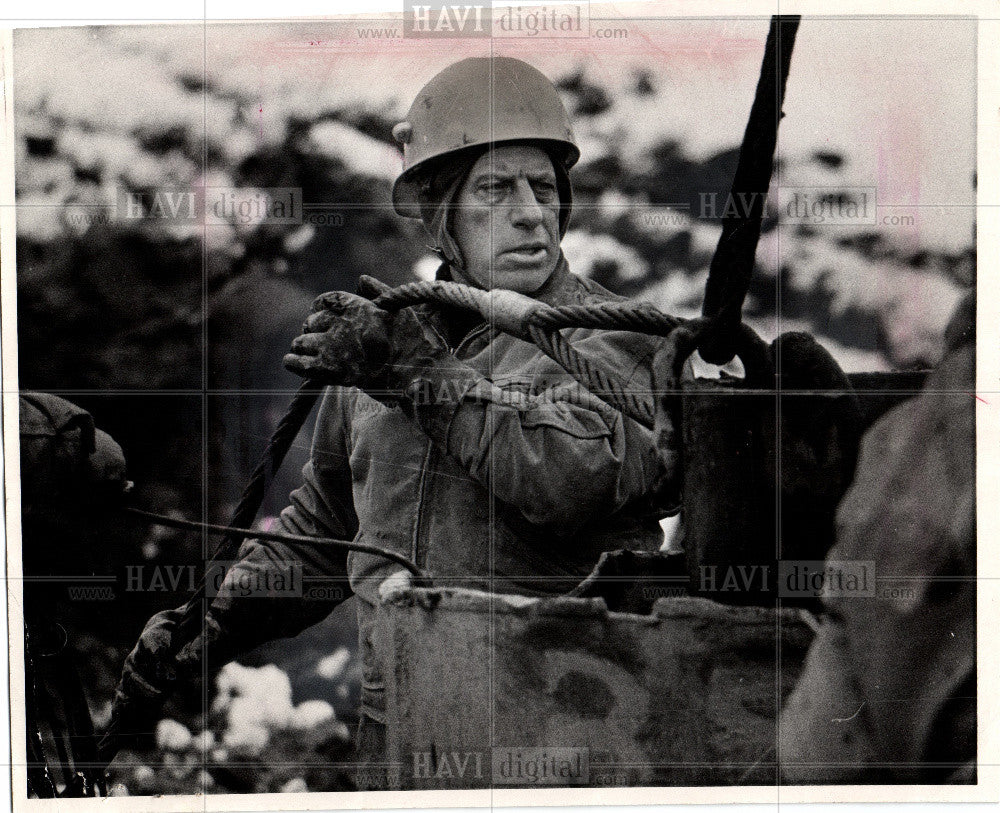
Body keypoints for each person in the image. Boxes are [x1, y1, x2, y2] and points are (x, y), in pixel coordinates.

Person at [107, 56, 672, 789]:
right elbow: (326, 535)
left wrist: (420, 377)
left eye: (543, 187)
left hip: (566, 744)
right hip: (400, 743)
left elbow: (569, 478)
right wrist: (209, 626)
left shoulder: (615, 343)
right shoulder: (386, 345)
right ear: (441, 215)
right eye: (497, 188)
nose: (532, 212)